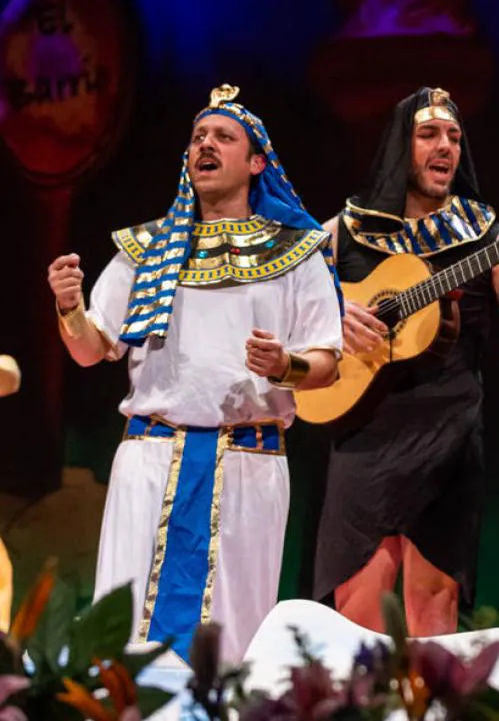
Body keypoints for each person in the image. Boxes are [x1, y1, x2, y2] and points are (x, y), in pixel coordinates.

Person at [46, 85, 343, 661]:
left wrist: (286, 365)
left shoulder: (298, 252)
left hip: (247, 465)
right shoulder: (148, 250)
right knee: (126, 631)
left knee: (231, 641)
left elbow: (328, 365)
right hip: (149, 460)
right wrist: (68, 308)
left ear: (257, 162)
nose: (204, 144)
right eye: (197, 137)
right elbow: (91, 349)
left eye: (223, 137)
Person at [314, 87, 499, 636]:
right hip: (366, 432)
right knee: (356, 618)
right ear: (399, 146)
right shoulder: (349, 227)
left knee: (432, 615)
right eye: (429, 134)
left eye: (455, 137)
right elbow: (287, 301)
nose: (446, 147)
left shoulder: (485, 233)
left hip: (449, 437)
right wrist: (333, 316)